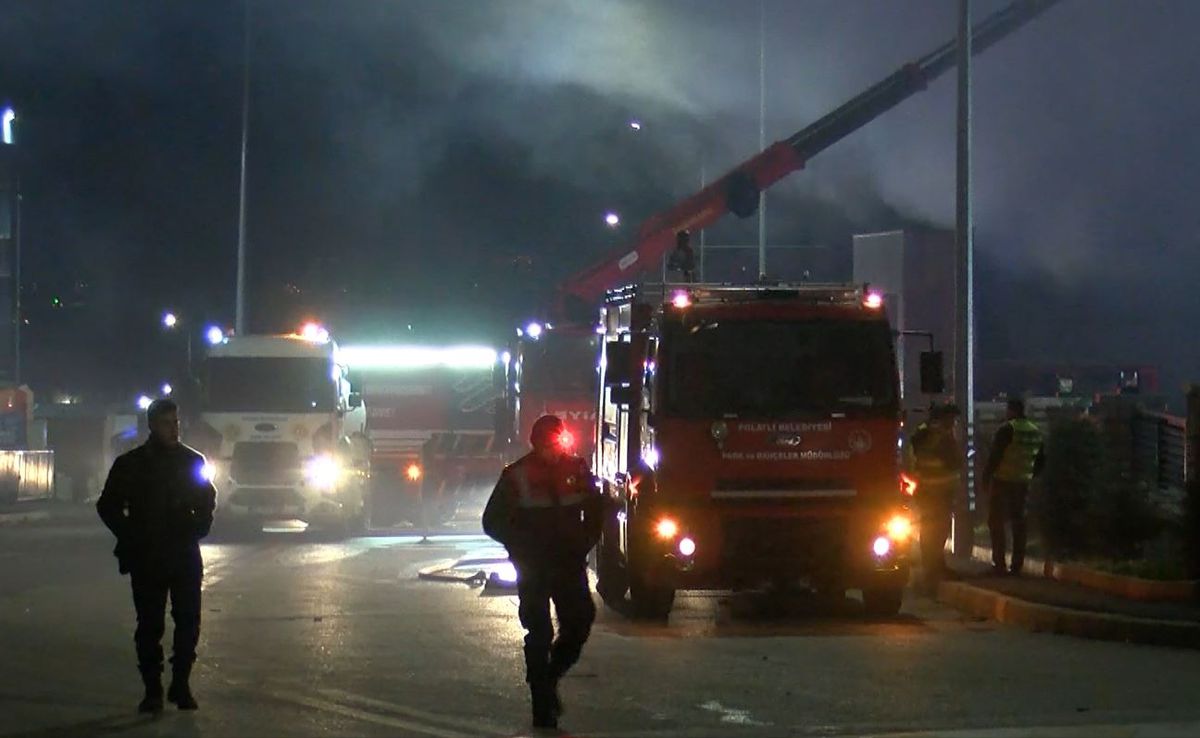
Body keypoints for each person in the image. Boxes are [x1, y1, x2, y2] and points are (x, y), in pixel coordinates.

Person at [482, 415, 603, 730]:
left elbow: (596, 508)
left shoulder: (576, 470)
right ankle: (542, 703)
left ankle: (549, 680)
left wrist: (585, 541)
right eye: (548, 443)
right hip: (534, 567)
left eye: (558, 442)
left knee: (579, 623)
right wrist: (519, 548)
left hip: (568, 563)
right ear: (536, 443)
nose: (554, 449)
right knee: (539, 634)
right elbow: (491, 521)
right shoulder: (516, 476)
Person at [96, 398, 217, 713]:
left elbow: (207, 498)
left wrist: (198, 527)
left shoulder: (192, 461)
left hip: (183, 553)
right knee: (150, 625)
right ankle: (153, 690)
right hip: (147, 555)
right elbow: (107, 505)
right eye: (167, 423)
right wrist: (131, 535)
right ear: (152, 425)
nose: (174, 428)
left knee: (188, 621)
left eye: (177, 422)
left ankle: (180, 685)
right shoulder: (131, 464)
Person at [983, 398, 1045, 575]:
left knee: (996, 522)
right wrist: (1029, 475)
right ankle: (1017, 565)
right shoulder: (1035, 431)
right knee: (1019, 523)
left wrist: (986, 478)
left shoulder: (1006, 429)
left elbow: (995, 456)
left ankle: (999, 564)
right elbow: (1041, 460)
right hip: (1022, 482)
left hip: (1002, 480)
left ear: (1011, 411)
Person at [908, 403, 961, 588]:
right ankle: (933, 569)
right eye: (952, 419)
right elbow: (955, 461)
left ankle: (934, 566)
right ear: (945, 418)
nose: (954, 423)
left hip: (928, 490)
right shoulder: (941, 436)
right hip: (938, 491)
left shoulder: (925, 433)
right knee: (936, 531)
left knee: (931, 530)